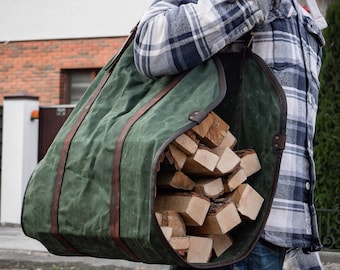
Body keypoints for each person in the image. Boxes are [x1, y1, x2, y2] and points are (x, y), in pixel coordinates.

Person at [134, 0, 326, 269]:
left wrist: (302, 246)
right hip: (227, 237)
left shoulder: (309, 17)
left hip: (288, 242)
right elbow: (148, 47)